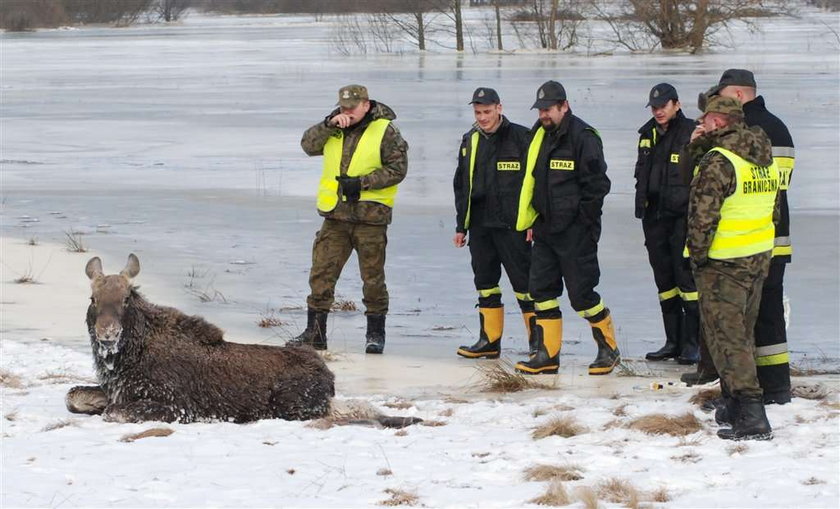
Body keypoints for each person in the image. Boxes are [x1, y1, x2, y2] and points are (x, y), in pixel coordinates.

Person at [683, 70, 795, 405]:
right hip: (763, 242)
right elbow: (778, 193)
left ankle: (748, 403)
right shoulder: (765, 138)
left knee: (735, 331)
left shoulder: (725, 156)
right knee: (755, 323)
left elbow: (704, 209)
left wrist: (698, 255)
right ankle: (770, 388)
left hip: (731, 250)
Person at [291, 84, 408, 354]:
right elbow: (308, 145)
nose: (347, 113)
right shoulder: (333, 126)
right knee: (321, 273)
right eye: (344, 107)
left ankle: (375, 334)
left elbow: (398, 169)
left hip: (371, 217)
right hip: (336, 216)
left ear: (366, 105)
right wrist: (328, 124)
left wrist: (362, 183)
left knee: (373, 279)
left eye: (352, 108)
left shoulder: (385, 130)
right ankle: (315, 334)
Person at [513, 80, 619, 376]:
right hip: (545, 229)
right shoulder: (538, 135)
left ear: (565, 106)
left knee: (582, 296)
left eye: (548, 109)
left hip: (576, 232)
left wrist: (583, 223)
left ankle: (608, 348)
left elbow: (598, 186)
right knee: (541, 291)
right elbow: (531, 181)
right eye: (540, 110)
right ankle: (547, 354)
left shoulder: (583, 137)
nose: (543, 115)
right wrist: (532, 219)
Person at [453, 87, 534, 359]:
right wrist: (460, 226)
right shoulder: (470, 139)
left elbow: (535, 183)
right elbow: (461, 185)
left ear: (499, 108)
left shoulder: (522, 137)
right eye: (478, 113)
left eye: (487, 112)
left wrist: (533, 220)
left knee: (525, 286)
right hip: (480, 225)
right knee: (485, 283)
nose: (483, 117)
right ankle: (489, 340)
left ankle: (538, 344)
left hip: (514, 227)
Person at [634, 83, 699, 365]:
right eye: (654, 107)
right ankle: (672, 341)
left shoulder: (691, 133)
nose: (658, 111)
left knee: (687, 283)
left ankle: (693, 343)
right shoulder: (646, 134)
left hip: (682, 218)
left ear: (677, 104)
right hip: (655, 218)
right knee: (665, 283)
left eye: (663, 106)